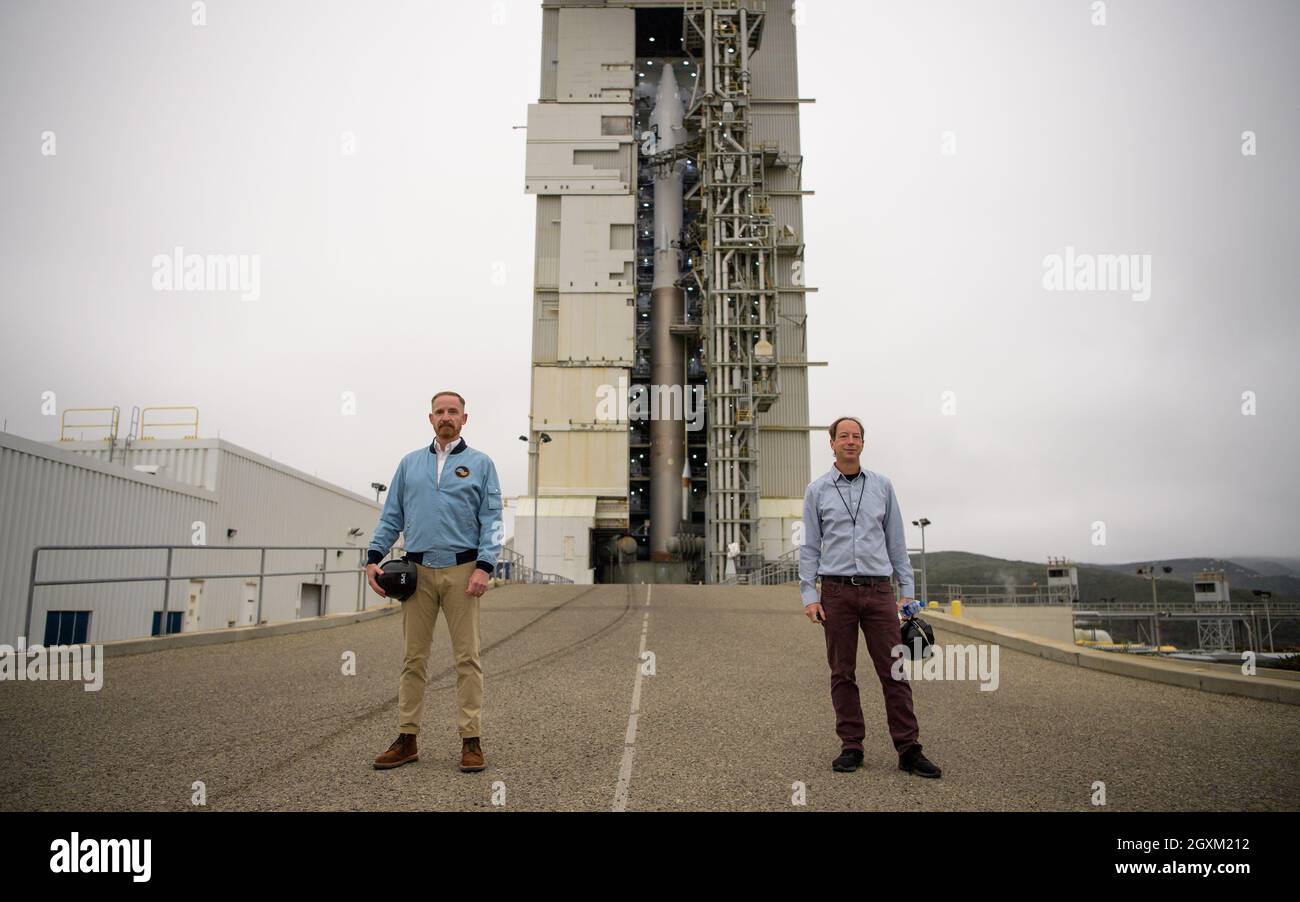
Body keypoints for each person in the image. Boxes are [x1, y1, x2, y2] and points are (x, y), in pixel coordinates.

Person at [366, 391, 503, 773]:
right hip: (417, 573)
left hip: (464, 572)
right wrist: (373, 557)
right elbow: (392, 516)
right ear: (430, 418)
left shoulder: (482, 464)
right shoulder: (410, 464)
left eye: (453, 412)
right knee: (414, 659)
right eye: (440, 412)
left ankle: (471, 741)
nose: (446, 417)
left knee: (468, 659)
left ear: (465, 418)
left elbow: (492, 520)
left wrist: (485, 566)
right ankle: (407, 738)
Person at [799, 416, 942, 778]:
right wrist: (808, 595)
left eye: (856, 436)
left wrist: (907, 593)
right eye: (843, 436)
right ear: (831, 443)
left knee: (894, 671)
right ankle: (852, 746)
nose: (850, 441)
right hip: (835, 591)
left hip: (879, 591)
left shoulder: (882, 486)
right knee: (842, 673)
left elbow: (896, 543)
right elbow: (810, 547)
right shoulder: (817, 491)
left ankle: (909, 749)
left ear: (863, 443)